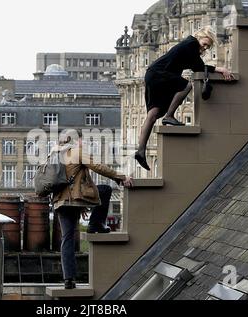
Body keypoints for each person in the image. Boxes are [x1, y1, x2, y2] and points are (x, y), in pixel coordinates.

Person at [135, 26, 234, 171]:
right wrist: (220, 69)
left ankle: (140, 151)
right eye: (204, 43)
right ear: (199, 37)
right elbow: (199, 67)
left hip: (153, 73)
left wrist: (213, 67)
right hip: (159, 74)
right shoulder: (191, 44)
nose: (205, 47)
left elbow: (196, 67)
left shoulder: (189, 47)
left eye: (207, 46)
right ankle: (169, 116)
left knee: (153, 114)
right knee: (186, 86)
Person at [52, 129, 133, 289]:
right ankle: (95, 224)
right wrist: (121, 177)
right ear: (75, 140)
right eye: (82, 140)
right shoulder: (76, 151)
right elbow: (98, 167)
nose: (85, 143)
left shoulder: (55, 153)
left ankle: (69, 280)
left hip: (60, 201)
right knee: (105, 190)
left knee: (67, 238)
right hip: (75, 198)